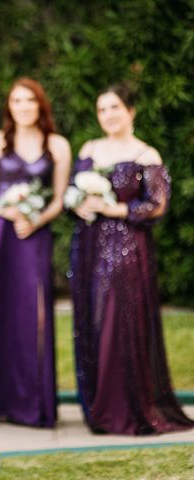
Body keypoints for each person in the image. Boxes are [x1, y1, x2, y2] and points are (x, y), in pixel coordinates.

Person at [68, 84, 194, 435]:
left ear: (130, 111)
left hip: (126, 248)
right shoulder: (90, 149)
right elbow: (72, 192)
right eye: (102, 109)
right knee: (91, 319)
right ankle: (98, 407)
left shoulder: (145, 154)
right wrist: (79, 204)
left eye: (114, 108)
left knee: (118, 321)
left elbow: (157, 204)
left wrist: (115, 208)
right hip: (88, 245)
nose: (108, 115)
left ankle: (123, 408)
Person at [0, 78, 71, 428]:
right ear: (9, 106)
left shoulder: (57, 145)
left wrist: (37, 218)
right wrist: (9, 210)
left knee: (33, 313)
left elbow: (59, 198)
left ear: (41, 105)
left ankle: (31, 401)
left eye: (30, 100)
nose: (24, 106)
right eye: (17, 100)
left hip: (33, 237)